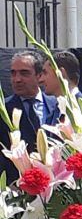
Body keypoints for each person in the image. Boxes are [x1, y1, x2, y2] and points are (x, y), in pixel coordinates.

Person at [2, 50, 60, 180]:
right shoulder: (4, 111)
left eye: (24, 73)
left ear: (39, 75)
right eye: (13, 73)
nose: (17, 79)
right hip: (18, 187)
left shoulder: (58, 106)